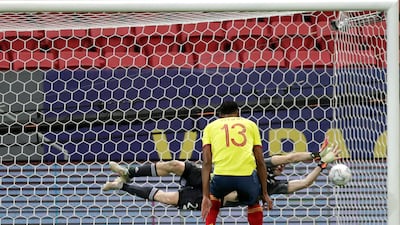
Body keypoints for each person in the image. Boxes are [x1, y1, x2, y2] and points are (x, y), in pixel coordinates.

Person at [102, 138, 340, 213]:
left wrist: (320, 166)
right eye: (278, 167)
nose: (281, 168)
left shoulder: (273, 187)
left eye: (280, 171)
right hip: (211, 177)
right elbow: (289, 158)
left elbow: (304, 183)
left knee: (168, 198)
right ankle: (130, 171)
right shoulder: (261, 164)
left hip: (215, 199)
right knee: (176, 164)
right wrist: (317, 154)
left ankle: (120, 186)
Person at [201, 101, 272, 225]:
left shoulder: (210, 127)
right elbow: (260, 161)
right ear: (238, 112)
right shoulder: (250, 125)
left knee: (214, 197)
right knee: (254, 201)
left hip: (222, 178)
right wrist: (264, 193)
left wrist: (205, 196)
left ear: (220, 115)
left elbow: (207, 162)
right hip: (247, 179)